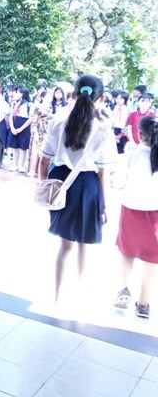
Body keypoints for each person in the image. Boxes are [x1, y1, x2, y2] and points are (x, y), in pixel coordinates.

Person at [38, 75, 117, 302]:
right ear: (101, 99)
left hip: (61, 184)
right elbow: (103, 174)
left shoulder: (58, 122)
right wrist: (106, 207)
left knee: (65, 246)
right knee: (85, 244)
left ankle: (57, 296)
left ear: (73, 95)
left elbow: (44, 162)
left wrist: (46, 187)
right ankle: (79, 296)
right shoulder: (103, 131)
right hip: (88, 187)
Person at [113, 115, 158, 319]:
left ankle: (124, 289)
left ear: (139, 134)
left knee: (127, 250)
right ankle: (143, 303)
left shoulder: (131, 156)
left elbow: (118, 182)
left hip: (130, 209)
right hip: (154, 213)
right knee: (151, 257)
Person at [7, 87, 32, 173]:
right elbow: (10, 115)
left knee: (23, 147)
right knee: (14, 145)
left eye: (18, 92)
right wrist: (12, 127)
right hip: (15, 123)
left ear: (22, 94)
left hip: (24, 125)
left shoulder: (29, 105)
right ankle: (15, 164)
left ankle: (21, 165)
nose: (16, 94)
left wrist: (21, 129)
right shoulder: (14, 103)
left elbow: (30, 118)